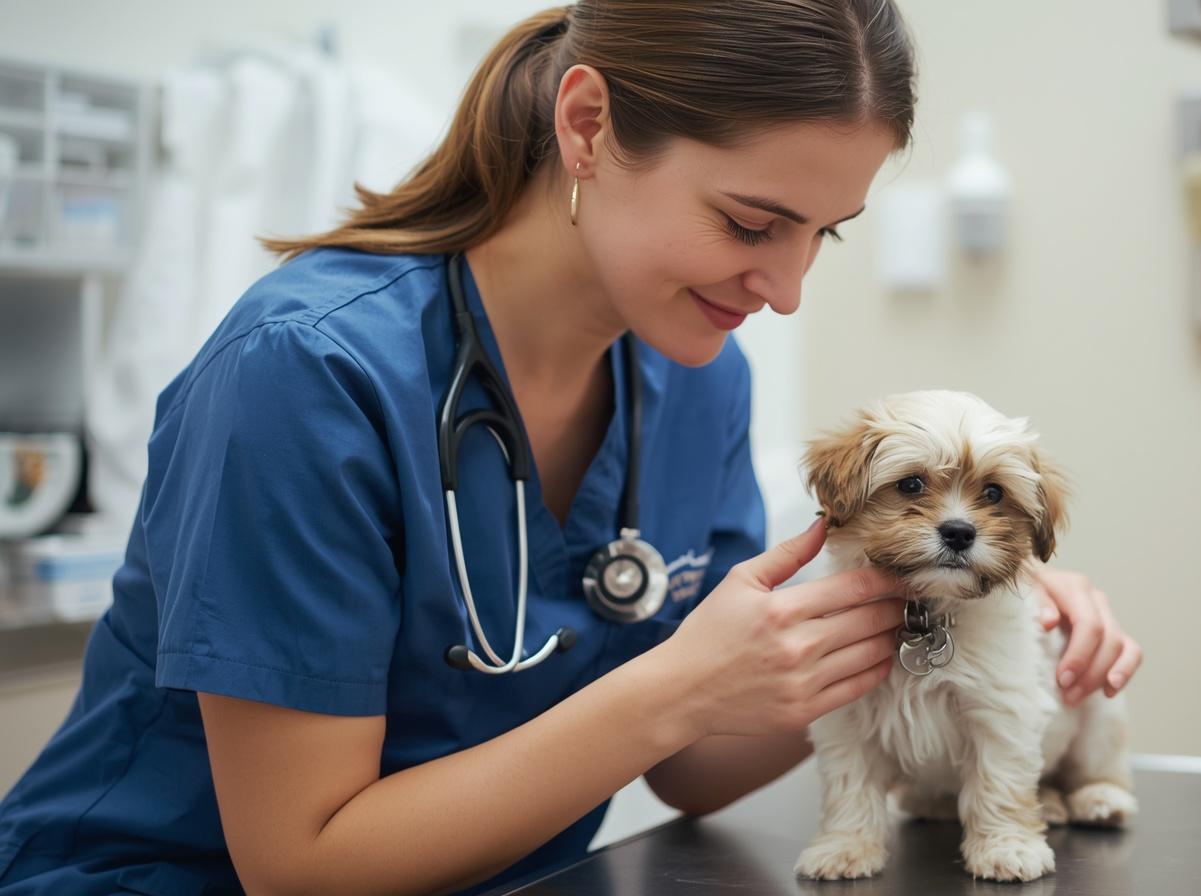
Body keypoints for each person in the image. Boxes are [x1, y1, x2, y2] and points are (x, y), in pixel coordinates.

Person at [0, 2, 1142, 893]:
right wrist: (674, 687)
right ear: (587, 126)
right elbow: (301, 864)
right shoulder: (304, 374)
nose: (786, 290)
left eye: (819, 234)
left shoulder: (693, 377)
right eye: (751, 223)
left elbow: (694, 757)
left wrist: (943, 612)